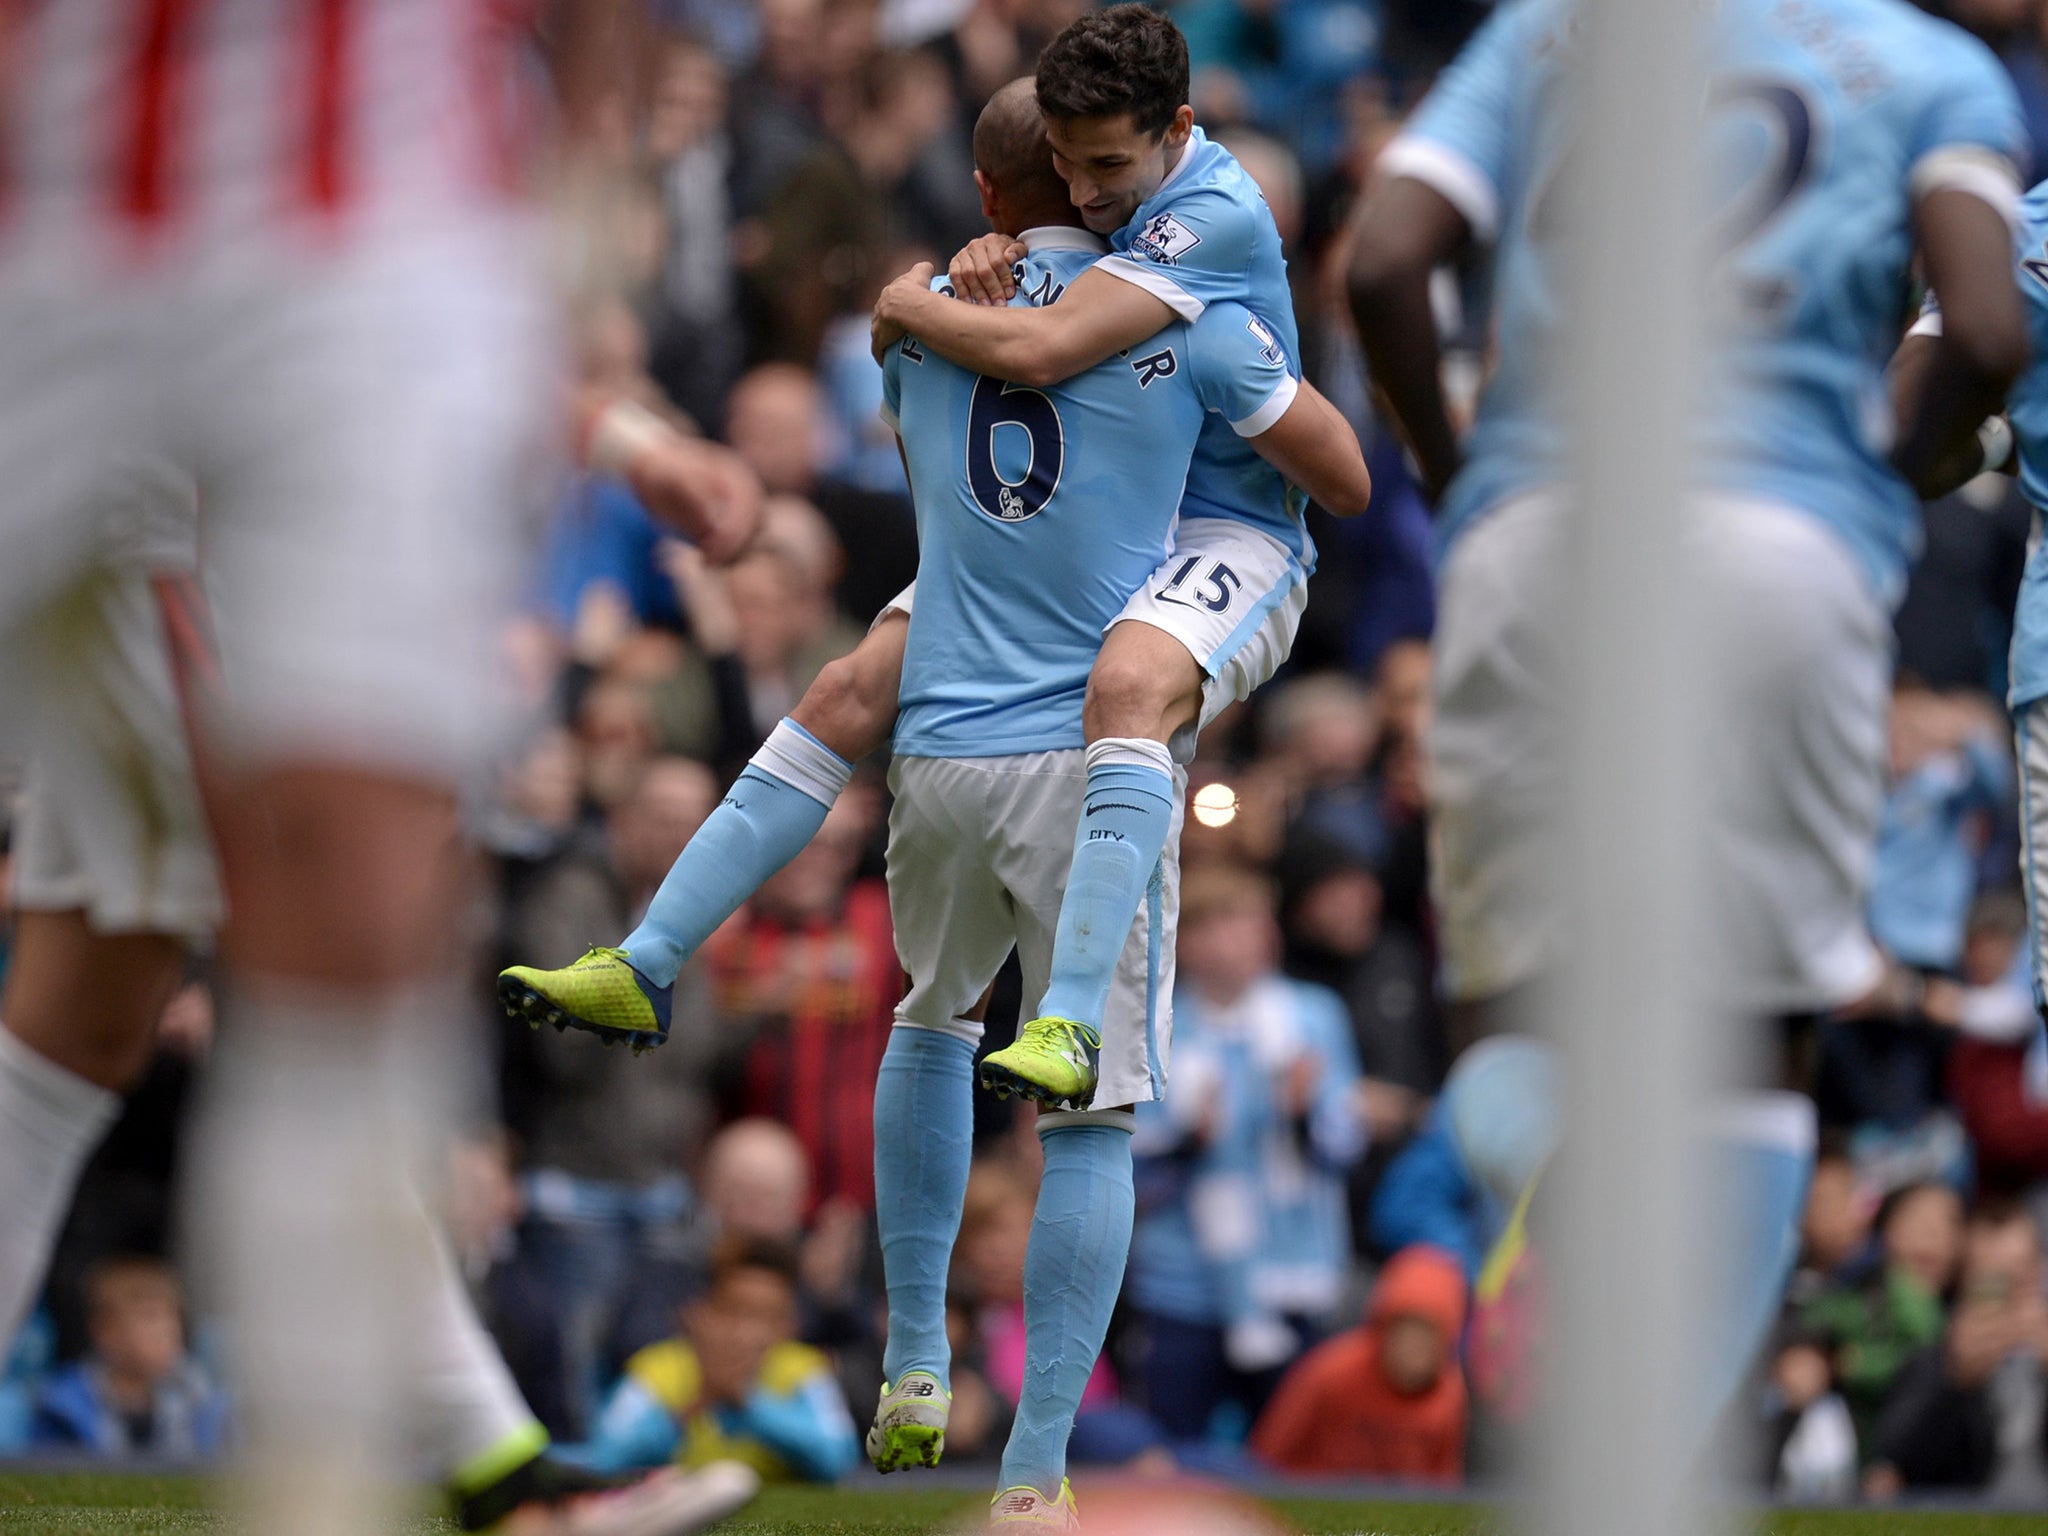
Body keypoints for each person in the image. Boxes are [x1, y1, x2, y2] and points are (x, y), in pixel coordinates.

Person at [0, 7, 757, 1530]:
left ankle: (468, 1477)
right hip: (69, 258)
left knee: (294, 923)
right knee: (124, 982)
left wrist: (602, 395)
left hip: (354, 305)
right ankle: (501, 1471)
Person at [1343, 0, 2030, 1430]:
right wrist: (1868, 489)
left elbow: (1388, 261)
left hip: (1544, 526)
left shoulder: (1546, 30)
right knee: (1762, 1026)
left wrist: (1459, 476)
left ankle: (1555, 1184)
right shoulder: (1929, 65)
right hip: (1786, 542)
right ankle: (1677, 1418)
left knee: (1511, 1012)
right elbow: (1984, 324)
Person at [496, 8, 1372, 1118]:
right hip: (1091, 522)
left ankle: (1067, 1012)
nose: (1096, 191)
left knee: (1128, 688)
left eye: (1112, 166)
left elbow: (1071, 358)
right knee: (849, 683)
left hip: (1221, 527)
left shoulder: (1209, 224)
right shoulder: (1043, 262)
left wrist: (908, 303)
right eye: (1071, 167)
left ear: (1176, 134)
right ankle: (643, 959)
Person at [1126, 863, 1365, 1441]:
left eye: (1247, 924)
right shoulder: (1154, 1024)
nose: (1235, 941)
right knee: (1173, 1459)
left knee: (1292, 1458)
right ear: (1188, 941)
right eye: (1215, 926)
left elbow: (1345, 1146)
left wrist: (1304, 1114)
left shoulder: (1314, 1016)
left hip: (1293, 1274)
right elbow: (1129, 1171)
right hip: (1181, 1281)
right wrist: (1189, 1144)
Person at [568, 1237, 862, 1484]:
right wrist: (700, 1402)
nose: (748, 1331)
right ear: (698, 1313)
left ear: (791, 1325)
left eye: (767, 1317)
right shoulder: (657, 1369)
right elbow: (603, 1458)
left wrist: (748, 1402)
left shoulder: (804, 1371)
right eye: (734, 1310)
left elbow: (838, 1460)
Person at [1248, 1244, 1470, 1484]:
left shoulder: (1449, 1395)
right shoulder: (1330, 1372)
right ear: (1384, 1330)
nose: (1413, 1348)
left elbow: (1443, 1487)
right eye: (1404, 1333)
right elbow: (1266, 1459)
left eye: (1427, 1337)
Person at [28, 1255, 230, 1460]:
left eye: (173, 1317)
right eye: (150, 1317)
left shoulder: (203, 1401)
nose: (167, 1331)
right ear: (105, 1332)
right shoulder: (62, 1406)